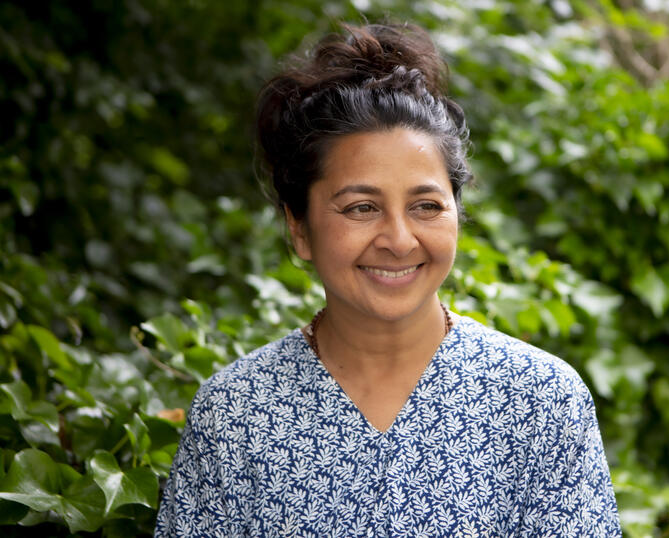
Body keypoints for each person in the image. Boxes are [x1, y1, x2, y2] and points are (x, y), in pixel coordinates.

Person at [155, 22, 621, 537]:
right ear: (299, 227)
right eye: (361, 207)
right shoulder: (235, 416)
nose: (399, 240)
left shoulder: (540, 401)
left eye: (426, 205)